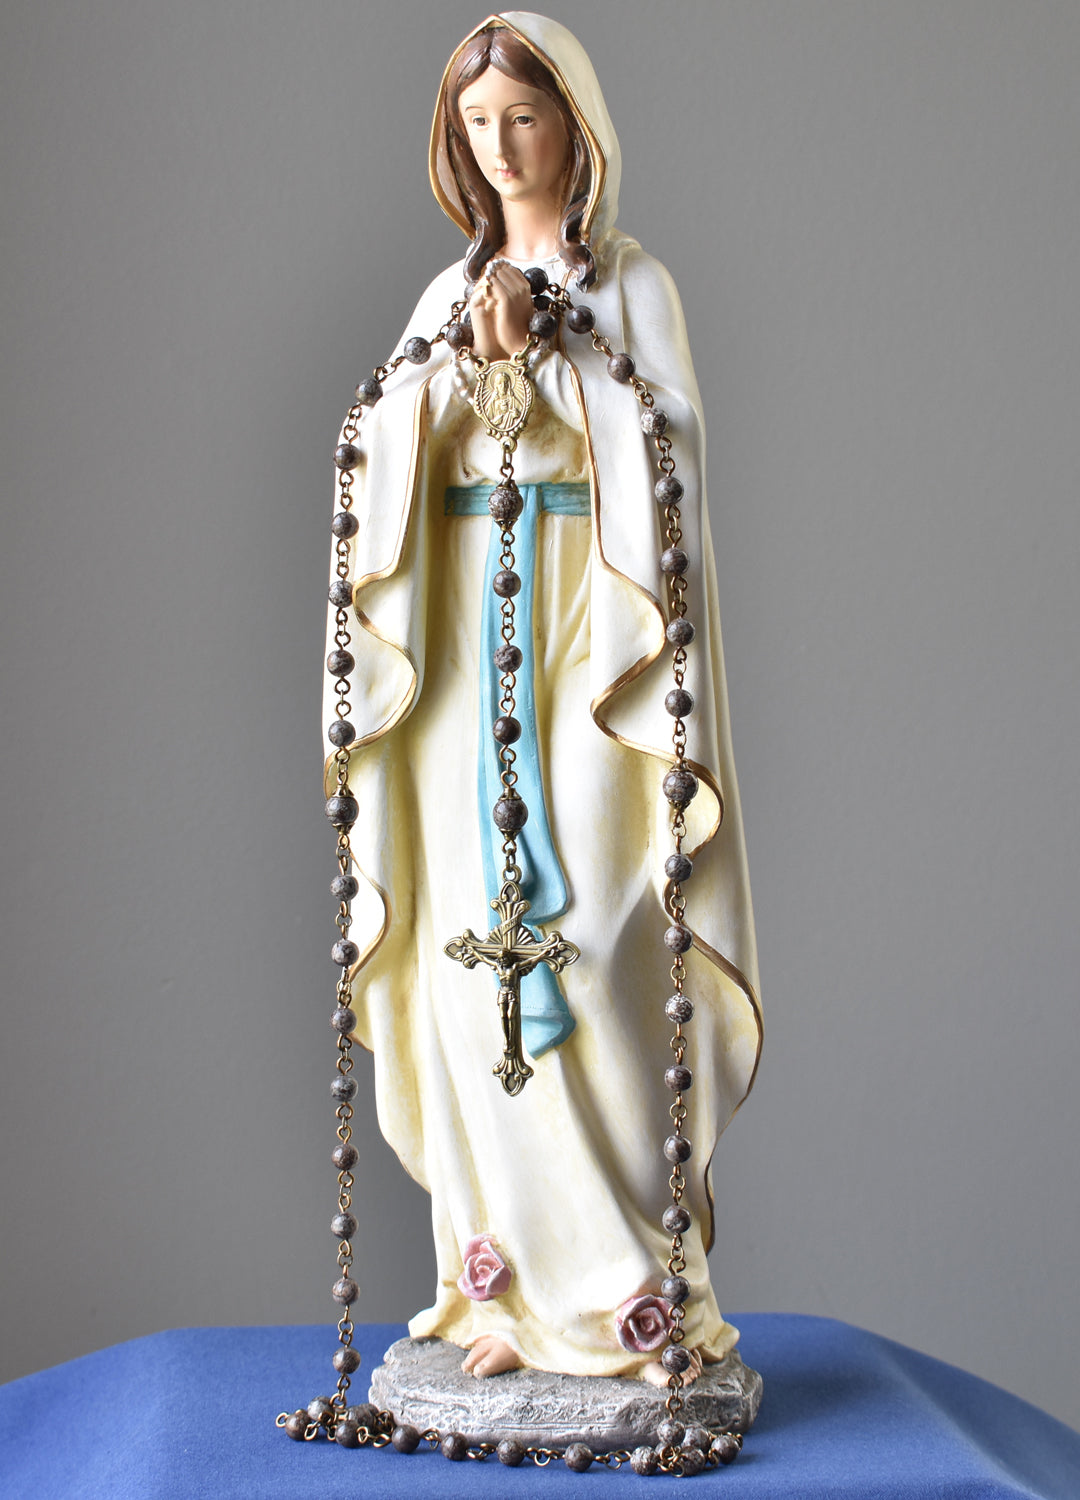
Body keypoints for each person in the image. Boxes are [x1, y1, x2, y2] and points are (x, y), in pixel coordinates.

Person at [326, 11, 762, 1382]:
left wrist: (553, 357)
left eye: (524, 118)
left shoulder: (632, 286)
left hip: (593, 649)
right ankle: (503, 1291)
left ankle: (628, 1291)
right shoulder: (439, 297)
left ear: (577, 129)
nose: (502, 148)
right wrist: (460, 370)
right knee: (469, 953)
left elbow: (670, 445)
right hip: (468, 646)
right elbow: (378, 448)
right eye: (478, 125)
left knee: (591, 939)